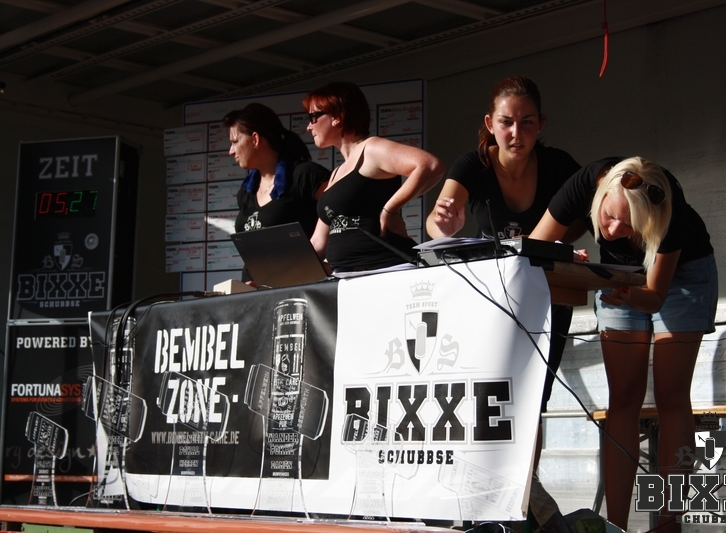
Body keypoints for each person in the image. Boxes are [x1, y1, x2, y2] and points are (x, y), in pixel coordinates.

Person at [529, 156, 717, 532]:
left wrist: (628, 294)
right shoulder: (583, 184)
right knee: (623, 398)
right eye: (608, 217)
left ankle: (669, 525)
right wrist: (564, 256)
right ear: (600, 194)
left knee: (672, 396)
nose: (613, 230)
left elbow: (655, 296)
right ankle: (615, 525)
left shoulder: (670, 211)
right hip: (618, 278)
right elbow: (532, 247)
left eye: (628, 226)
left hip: (682, 278)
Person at [425, 76, 581, 527]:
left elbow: (590, 214)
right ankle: (488, 503)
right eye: (507, 122)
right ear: (490, 124)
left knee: (534, 399)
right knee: (484, 397)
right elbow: (438, 223)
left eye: (527, 123)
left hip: (546, 298)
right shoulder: (473, 163)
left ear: (541, 124)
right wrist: (444, 224)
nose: (516, 133)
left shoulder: (558, 165)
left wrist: (566, 246)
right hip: (489, 301)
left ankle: (523, 498)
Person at [303, 82, 444, 272]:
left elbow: (430, 165)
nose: (308, 127)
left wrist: (390, 209)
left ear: (336, 117)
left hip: (386, 270)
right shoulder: (336, 173)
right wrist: (279, 273)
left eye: (313, 117)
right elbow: (318, 243)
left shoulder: (371, 149)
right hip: (347, 278)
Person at [223, 103, 330, 284]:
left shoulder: (306, 175)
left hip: (301, 291)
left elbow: (343, 214)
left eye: (235, 142)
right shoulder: (245, 192)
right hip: (255, 292)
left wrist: (327, 263)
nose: (231, 151)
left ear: (255, 139)